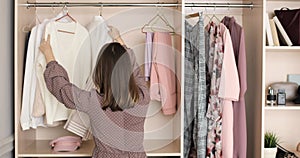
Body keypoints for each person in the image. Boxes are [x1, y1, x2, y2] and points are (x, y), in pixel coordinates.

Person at [39, 26, 150, 158]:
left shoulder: (93, 101)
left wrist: (48, 54)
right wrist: (119, 39)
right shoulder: (143, 96)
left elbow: (62, 88)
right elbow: (134, 68)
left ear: (100, 71)